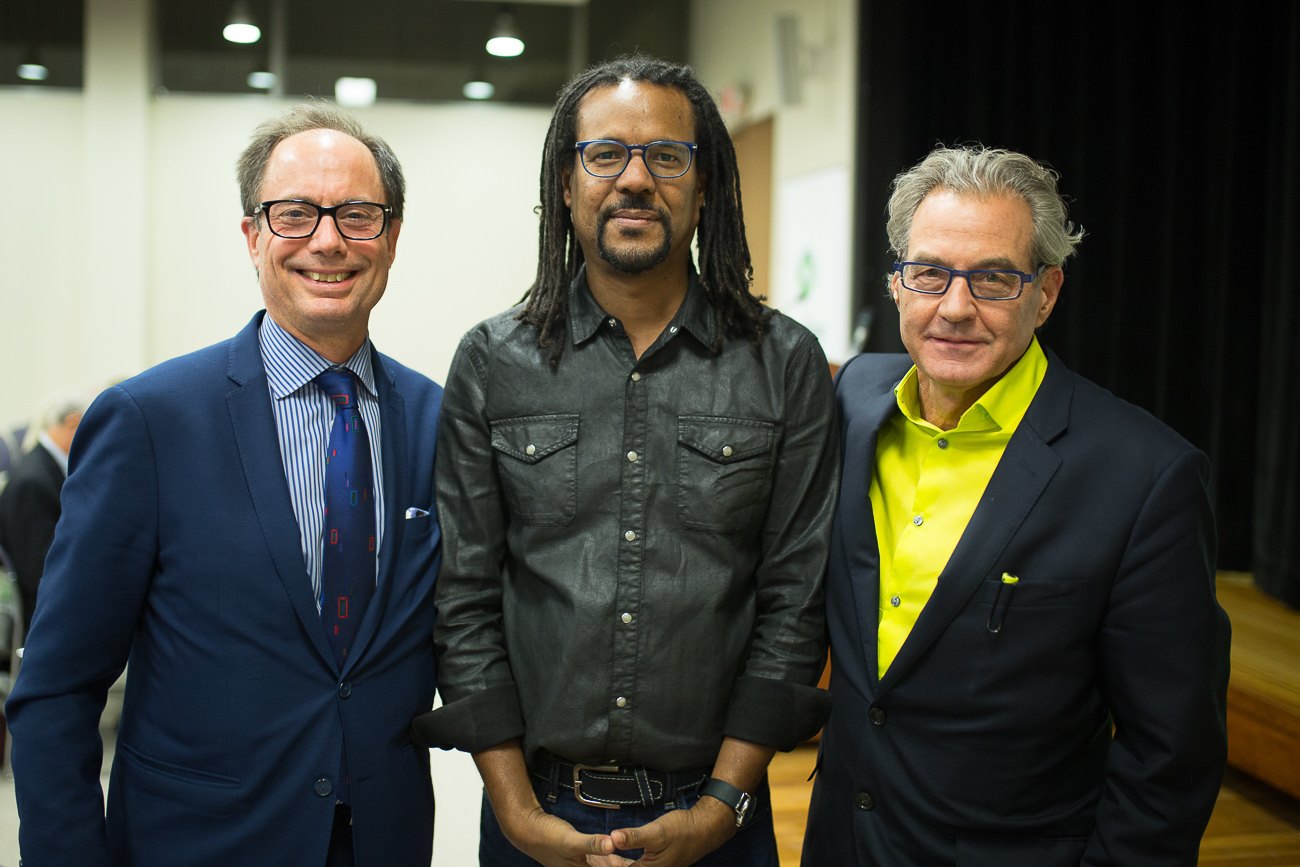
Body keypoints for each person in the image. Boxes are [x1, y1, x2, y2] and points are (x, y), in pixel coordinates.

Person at [411, 55, 840, 867]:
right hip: (537, 817)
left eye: (666, 156)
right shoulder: (493, 360)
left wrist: (722, 808)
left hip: (719, 821)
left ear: (705, 184)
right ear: (565, 185)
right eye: (605, 154)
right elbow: (463, 599)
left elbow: (795, 602)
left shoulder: (783, 363)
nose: (635, 179)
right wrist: (515, 812)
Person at [6, 104, 443, 867]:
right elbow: (56, 689)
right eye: (295, 214)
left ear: (394, 237)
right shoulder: (150, 421)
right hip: (198, 845)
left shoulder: (442, 421)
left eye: (358, 215)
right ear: (252, 237)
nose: (329, 240)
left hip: (380, 842)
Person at [802, 145, 1231, 866]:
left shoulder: (1146, 476)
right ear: (898, 285)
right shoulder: (852, 400)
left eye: (994, 277)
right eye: (930, 273)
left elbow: (1172, 755)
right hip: (840, 841)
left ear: (1048, 292)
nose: (956, 306)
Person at [0, 389, 89, 637]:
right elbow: (38, 571)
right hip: (43, 617)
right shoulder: (33, 480)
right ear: (74, 421)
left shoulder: (48, 468)